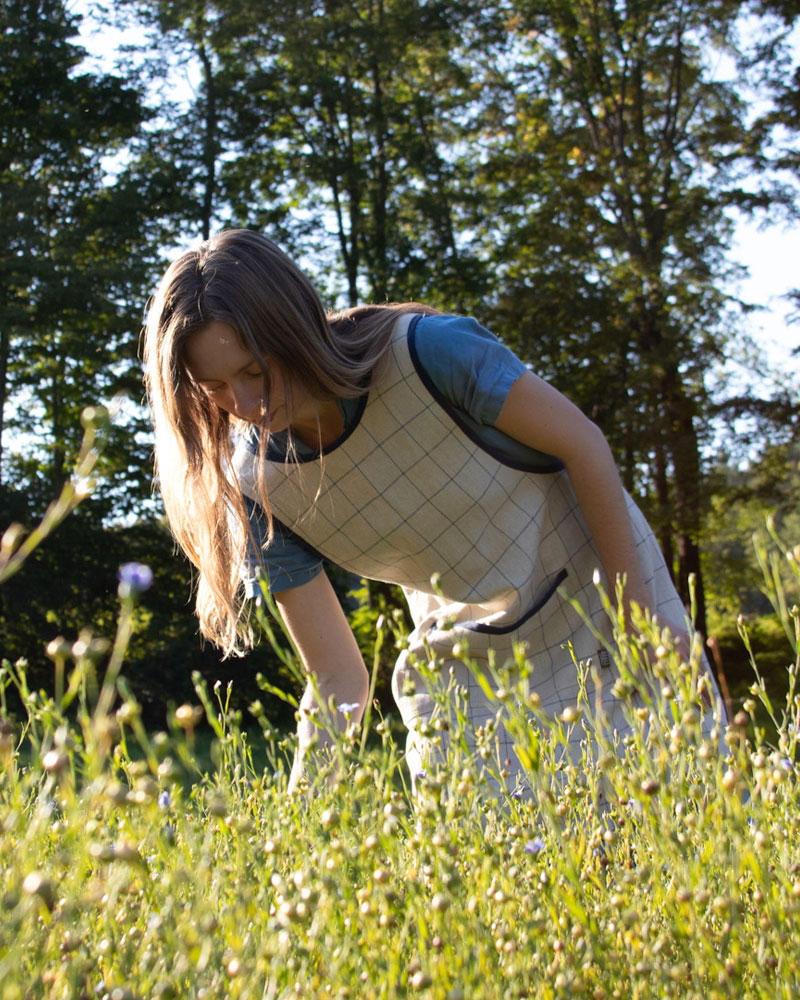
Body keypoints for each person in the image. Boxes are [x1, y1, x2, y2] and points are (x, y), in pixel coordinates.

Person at [143, 228, 723, 794]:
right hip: (465, 660)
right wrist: (300, 826)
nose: (245, 405)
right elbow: (336, 678)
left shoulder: (430, 352)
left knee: (680, 838)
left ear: (295, 329)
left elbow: (584, 445)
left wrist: (641, 624)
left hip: (604, 604)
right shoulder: (252, 485)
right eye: (213, 386)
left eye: (254, 370)